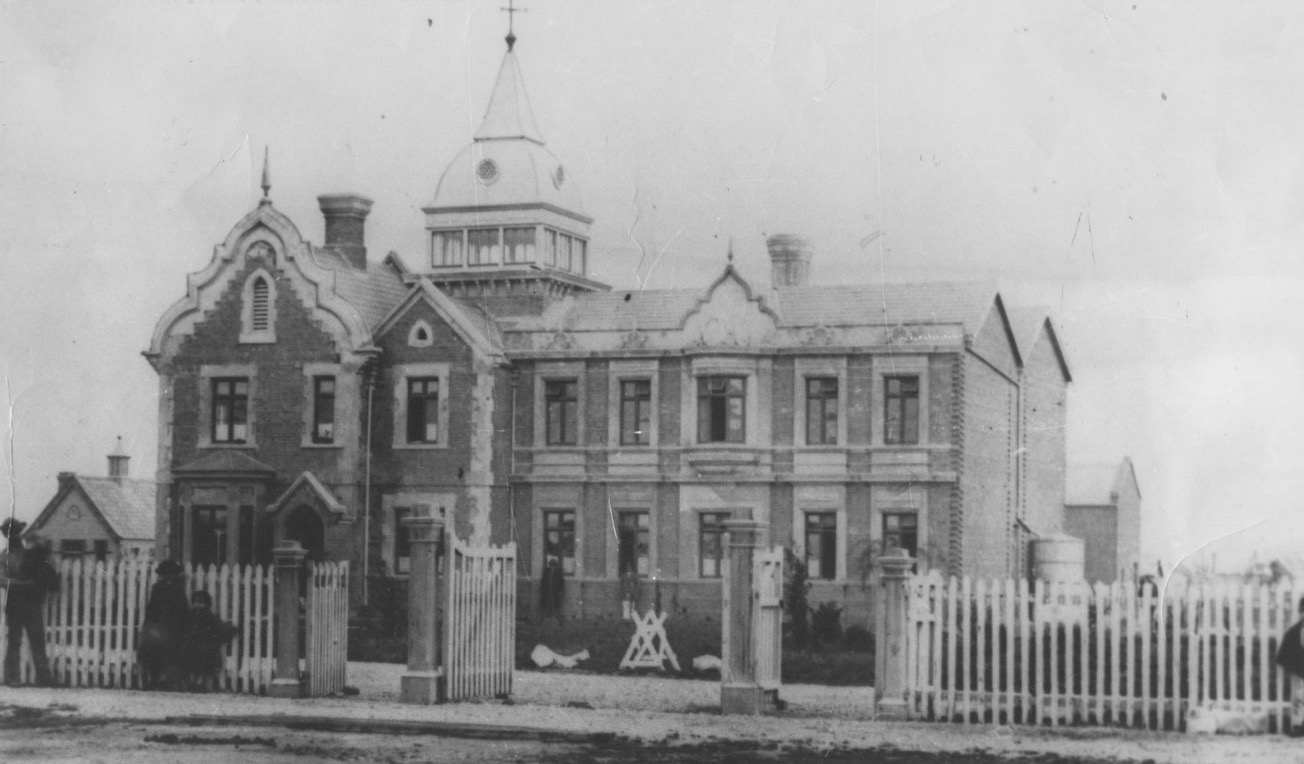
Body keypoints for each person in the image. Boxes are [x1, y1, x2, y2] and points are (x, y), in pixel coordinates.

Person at [1, 519, 58, 687]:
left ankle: (44, 676)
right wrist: (22, 584)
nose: (15, 536)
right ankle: (13, 677)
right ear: (6, 535)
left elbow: (47, 562)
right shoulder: (3, 556)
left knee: (38, 639)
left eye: (17, 532)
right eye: (11, 533)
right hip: (15, 604)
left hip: (32, 603)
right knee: (14, 640)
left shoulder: (31, 553)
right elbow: (2, 579)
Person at [137, 560, 189, 690]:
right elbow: (152, 606)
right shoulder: (157, 587)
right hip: (158, 625)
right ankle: (154, 679)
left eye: (171, 574)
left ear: (176, 575)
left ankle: (170, 681)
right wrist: (148, 624)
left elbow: (183, 608)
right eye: (165, 574)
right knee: (153, 651)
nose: (168, 577)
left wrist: (181, 625)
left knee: (172, 653)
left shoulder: (178, 588)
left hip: (174, 626)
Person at [181, 590, 239, 692]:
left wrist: (231, 630)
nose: (198, 605)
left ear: (206, 604)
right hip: (191, 644)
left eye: (201, 602)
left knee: (205, 659)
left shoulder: (208, 616)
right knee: (189, 660)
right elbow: (183, 627)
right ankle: (191, 682)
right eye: (196, 602)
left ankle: (200, 682)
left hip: (204, 644)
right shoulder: (189, 615)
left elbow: (218, 626)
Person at [1276, 596, 1304, 736]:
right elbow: (1286, 650)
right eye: (1303, 611)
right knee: (1297, 697)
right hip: (1299, 668)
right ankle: (1297, 725)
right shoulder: (1294, 632)